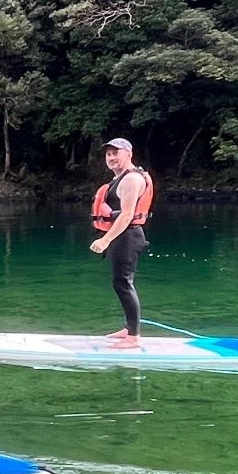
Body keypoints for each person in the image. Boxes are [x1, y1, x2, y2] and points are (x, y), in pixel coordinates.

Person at [88, 136, 154, 348]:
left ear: (129, 154)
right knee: (120, 283)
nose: (111, 157)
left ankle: (134, 337)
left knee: (123, 283)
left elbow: (126, 216)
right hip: (123, 236)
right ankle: (129, 328)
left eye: (116, 152)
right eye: (108, 154)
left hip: (127, 237)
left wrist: (105, 240)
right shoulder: (120, 179)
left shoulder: (131, 179)